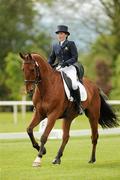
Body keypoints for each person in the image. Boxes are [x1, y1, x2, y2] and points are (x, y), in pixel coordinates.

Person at [48, 25, 83, 114]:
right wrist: (47, 66)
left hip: (70, 68)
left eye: (62, 33)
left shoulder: (71, 44)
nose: (60, 35)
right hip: (59, 68)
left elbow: (75, 58)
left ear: (66, 35)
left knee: (74, 85)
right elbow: (51, 59)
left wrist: (65, 63)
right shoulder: (55, 45)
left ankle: (79, 106)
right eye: (58, 34)